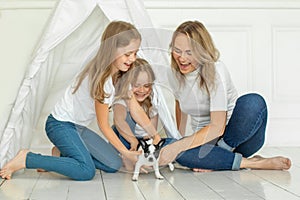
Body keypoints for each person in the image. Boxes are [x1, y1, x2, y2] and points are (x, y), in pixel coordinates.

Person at [0, 21, 143, 181]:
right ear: (112, 50)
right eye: (127, 54)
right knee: (86, 171)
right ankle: (27, 158)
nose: (132, 59)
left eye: (135, 53)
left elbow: (133, 105)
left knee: (113, 164)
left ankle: (60, 155)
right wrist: (127, 153)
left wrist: (136, 143)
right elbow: (104, 126)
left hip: (78, 128)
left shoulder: (114, 75)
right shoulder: (102, 80)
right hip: (60, 125)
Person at [158, 20, 291, 171]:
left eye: (189, 52)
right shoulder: (175, 76)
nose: (182, 58)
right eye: (177, 50)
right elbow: (179, 105)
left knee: (253, 102)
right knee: (168, 144)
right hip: (206, 142)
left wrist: (180, 146)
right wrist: (178, 139)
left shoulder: (215, 71)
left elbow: (217, 127)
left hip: (239, 137)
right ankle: (250, 163)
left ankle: (219, 156)